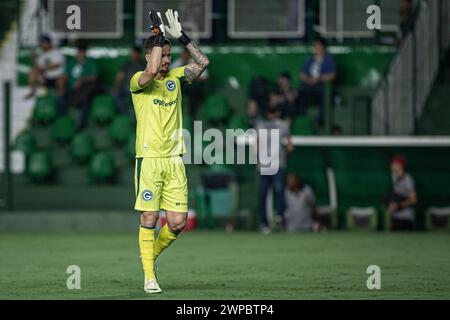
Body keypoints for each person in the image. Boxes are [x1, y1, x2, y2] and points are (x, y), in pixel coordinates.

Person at [130, 9, 209, 293]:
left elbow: (203, 62)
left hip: (175, 161)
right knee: (149, 218)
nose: (166, 60)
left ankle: (147, 256)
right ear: (149, 56)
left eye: (168, 56)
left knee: (177, 224)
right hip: (149, 160)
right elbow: (150, 71)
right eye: (162, 56)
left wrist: (182, 38)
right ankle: (149, 277)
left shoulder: (176, 78)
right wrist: (157, 36)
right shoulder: (138, 81)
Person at [255, 106, 293, 234]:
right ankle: (264, 222)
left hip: (277, 164)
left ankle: (279, 215)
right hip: (264, 165)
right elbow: (256, 144)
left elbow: (289, 145)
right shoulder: (260, 125)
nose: (271, 115)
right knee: (263, 194)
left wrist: (283, 156)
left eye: (272, 112)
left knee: (278, 190)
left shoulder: (283, 125)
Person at [57, 44, 98, 130]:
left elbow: (94, 77)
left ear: (85, 53)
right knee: (60, 97)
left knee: (85, 101)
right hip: (71, 88)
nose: (80, 54)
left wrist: (82, 80)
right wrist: (61, 88)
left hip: (83, 89)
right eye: (79, 52)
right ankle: (64, 121)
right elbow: (65, 76)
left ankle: (81, 125)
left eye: (82, 52)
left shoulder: (90, 63)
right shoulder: (72, 62)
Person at [298, 38, 337, 126]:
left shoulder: (329, 59)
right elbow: (302, 73)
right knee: (300, 91)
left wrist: (318, 78)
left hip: (322, 85)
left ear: (323, 47)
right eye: (315, 46)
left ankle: (321, 119)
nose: (316, 48)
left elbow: (332, 75)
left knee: (324, 94)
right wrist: (307, 79)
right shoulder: (310, 59)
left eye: (318, 46)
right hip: (309, 84)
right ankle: (301, 116)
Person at [171, 48, 209, 117]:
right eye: (183, 54)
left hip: (194, 87)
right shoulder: (178, 62)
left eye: (186, 54)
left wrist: (192, 78)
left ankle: (192, 115)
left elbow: (205, 78)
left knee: (193, 92)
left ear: (190, 55)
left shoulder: (196, 63)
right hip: (181, 87)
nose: (184, 56)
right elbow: (170, 74)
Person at [25, 34, 65, 99]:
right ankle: (32, 92)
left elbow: (56, 65)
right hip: (46, 78)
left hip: (57, 77)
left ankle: (60, 96)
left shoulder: (57, 52)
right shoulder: (42, 55)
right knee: (33, 72)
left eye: (43, 42)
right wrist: (33, 58)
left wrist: (44, 67)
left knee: (62, 79)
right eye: (41, 43)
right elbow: (38, 67)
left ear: (48, 43)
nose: (42, 45)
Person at [385, 155, 417, 231]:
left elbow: (414, 200)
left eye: (394, 164)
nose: (392, 166)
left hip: (406, 218)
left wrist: (398, 205)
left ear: (400, 166)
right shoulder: (394, 176)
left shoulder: (407, 179)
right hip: (395, 217)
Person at [113, 46, 145, 114]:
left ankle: (134, 115)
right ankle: (123, 114)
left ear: (139, 54)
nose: (134, 55)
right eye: (133, 53)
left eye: (136, 54)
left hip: (139, 89)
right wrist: (116, 88)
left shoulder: (143, 65)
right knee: (117, 95)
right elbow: (119, 77)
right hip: (127, 88)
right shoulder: (127, 64)